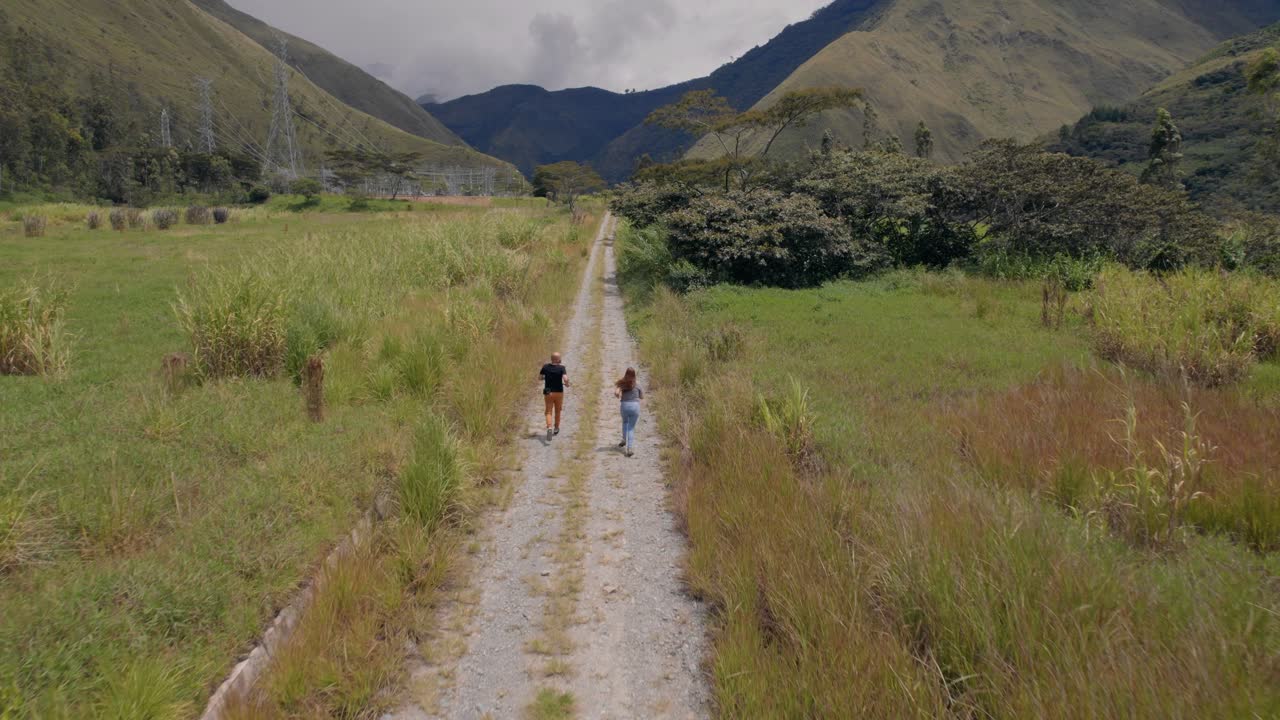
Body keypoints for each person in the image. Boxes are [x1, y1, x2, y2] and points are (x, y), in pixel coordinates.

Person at [614, 367, 644, 457]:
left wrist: (619, 393)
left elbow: (616, 393)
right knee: (631, 428)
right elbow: (642, 397)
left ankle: (624, 439)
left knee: (625, 422)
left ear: (625, 374)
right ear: (634, 375)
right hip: (635, 407)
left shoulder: (622, 383)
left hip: (624, 406)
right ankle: (630, 448)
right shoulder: (638, 384)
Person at [540, 352, 569, 441]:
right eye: (560, 358)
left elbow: (540, 378)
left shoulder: (545, 367)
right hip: (559, 392)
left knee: (548, 411)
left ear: (551, 359)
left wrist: (546, 378)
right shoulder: (561, 368)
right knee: (558, 410)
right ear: (558, 359)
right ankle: (556, 428)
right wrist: (567, 384)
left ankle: (549, 427)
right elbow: (565, 378)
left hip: (548, 392)